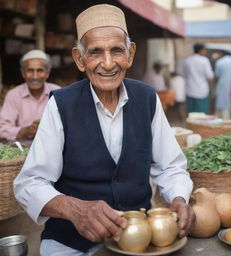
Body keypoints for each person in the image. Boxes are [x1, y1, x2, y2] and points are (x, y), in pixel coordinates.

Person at [14, 4, 195, 256]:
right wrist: (73, 209)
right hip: (70, 244)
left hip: (137, 240)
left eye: (117, 50)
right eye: (95, 52)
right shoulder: (62, 104)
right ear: (79, 59)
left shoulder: (147, 98)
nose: (108, 63)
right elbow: (29, 184)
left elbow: (170, 166)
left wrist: (178, 199)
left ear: (130, 54)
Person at [0, 50, 60, 141]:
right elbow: (2, 129)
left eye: (40, 70)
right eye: (30, 70)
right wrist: (22, 131)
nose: (35, 76)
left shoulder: (58, 92)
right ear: (23, 73)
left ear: (47, 72)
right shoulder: (14, 95)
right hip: (22, 151)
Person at [182, 43, 214, 114]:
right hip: (201, 92)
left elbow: (184, 75)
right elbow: (210, 76)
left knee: (191, 115)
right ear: (201, 50)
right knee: (201, 116)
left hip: (189, 91)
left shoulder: (187, 60)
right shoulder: (204, 60)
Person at [214, 51, 231, 119]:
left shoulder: (220, 62)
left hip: (221, 85)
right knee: (229, 105)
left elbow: (217, 75)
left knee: (220, 104)